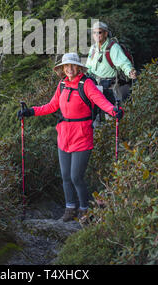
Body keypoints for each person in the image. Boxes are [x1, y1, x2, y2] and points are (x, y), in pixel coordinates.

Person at [17, 52, 123, 223]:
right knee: (65, 176)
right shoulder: (62, 85)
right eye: (66, 66)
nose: (70, 69)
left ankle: (85, 209)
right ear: (63, 69)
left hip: (82, 135)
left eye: (73, 65)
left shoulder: (86, 84)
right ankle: (70, 208)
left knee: (76, 177)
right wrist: (30, 111)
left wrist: (114, 111)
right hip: (64, 135)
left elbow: (99, 100)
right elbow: (51, 106)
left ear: (79, 67)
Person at [86, 21, 137, 106]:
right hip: (95, 86)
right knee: (95, 115)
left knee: (111, 113)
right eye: (94, 32)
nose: (96, 35)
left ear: (105, 33)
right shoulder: (93, 48)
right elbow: (88, 66)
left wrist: (130, 71)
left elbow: (123, 63)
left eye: (99, 32)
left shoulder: (113, 47)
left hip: (111, 87)